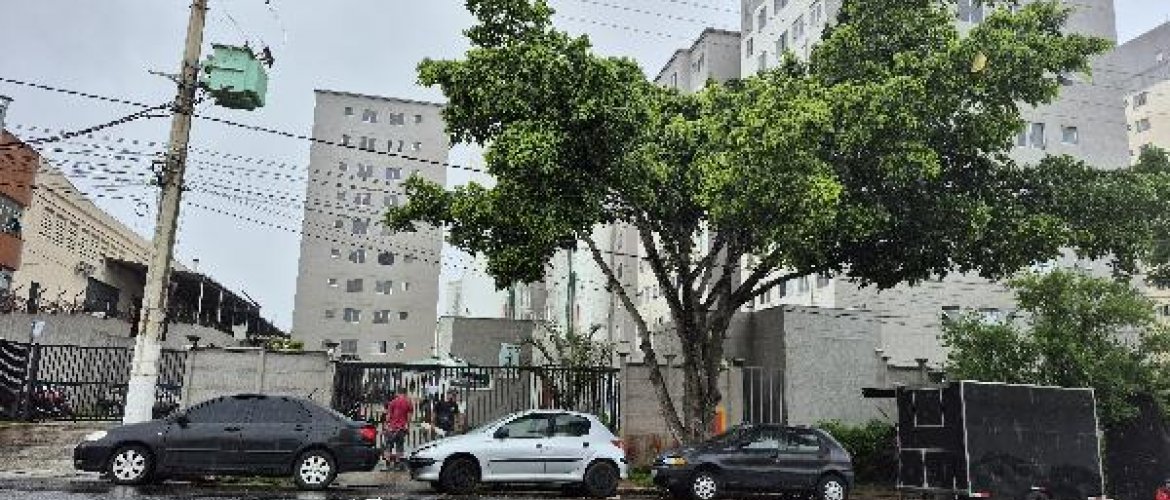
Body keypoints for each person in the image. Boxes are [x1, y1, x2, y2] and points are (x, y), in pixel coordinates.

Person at [383, 387, 413, 471]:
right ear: (405, 393)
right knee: (399, 446)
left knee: (388, 446)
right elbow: (409, 417)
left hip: (392, 428)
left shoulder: (392, 402)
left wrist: (386, 426)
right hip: (401, 428)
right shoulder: (408, 402)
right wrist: (407, 427)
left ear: (398, 393)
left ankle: (387, 465)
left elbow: (388, 416)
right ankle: (398, 464)